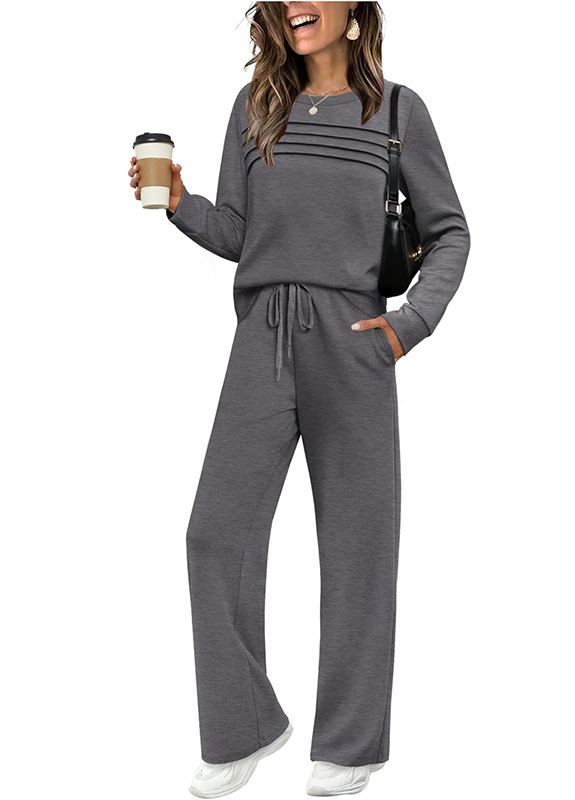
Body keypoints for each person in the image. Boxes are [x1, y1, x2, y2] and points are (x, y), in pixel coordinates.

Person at [128, 2, 470, 796]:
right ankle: (243, 725)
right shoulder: (254, 107)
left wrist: (408, 325)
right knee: (213, 537)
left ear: (355, 11)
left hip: (354, 341)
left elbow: (450, 230)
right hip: (262, 341)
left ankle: (351, 745)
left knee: (357, 547)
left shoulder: (398, 112)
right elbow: (240, 233)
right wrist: (178, 203)